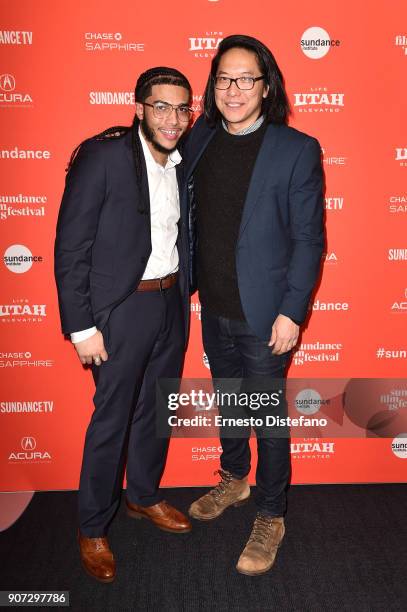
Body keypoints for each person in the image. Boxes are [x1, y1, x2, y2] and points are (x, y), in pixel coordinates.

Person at [184, 35, 324, 575]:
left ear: (266, 87)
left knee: (266, 416)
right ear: (212, 86)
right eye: (224, 78)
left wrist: (292, 312)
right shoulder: (199, 141)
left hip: (266, 314)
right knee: (230, 404)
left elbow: (309, 239)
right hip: (212, 305)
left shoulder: (296, 148)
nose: (234, 89)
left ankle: (271, 513)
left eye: (246, 78)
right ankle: (234, 479)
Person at [54, 67, 193, 583]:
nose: (173, 119)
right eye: (161, 107)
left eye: (182, 108)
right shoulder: (105, 155)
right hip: (120, 310)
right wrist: (82, 327)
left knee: (156, 410)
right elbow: (71, 247)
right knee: (112, 417)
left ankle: (143, 496)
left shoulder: (181, 161)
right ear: (138, 107)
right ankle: (92, 526)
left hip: (169, 302)